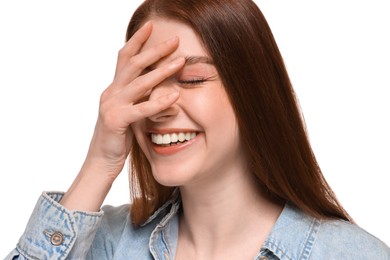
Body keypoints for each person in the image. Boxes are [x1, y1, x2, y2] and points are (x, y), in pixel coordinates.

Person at [6, 0, 390, 259]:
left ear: (253, 92)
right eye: (144, 82)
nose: (158, 106)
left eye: (191, 80)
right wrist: (99, 163)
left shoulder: (350, 254)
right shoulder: (104, 243)